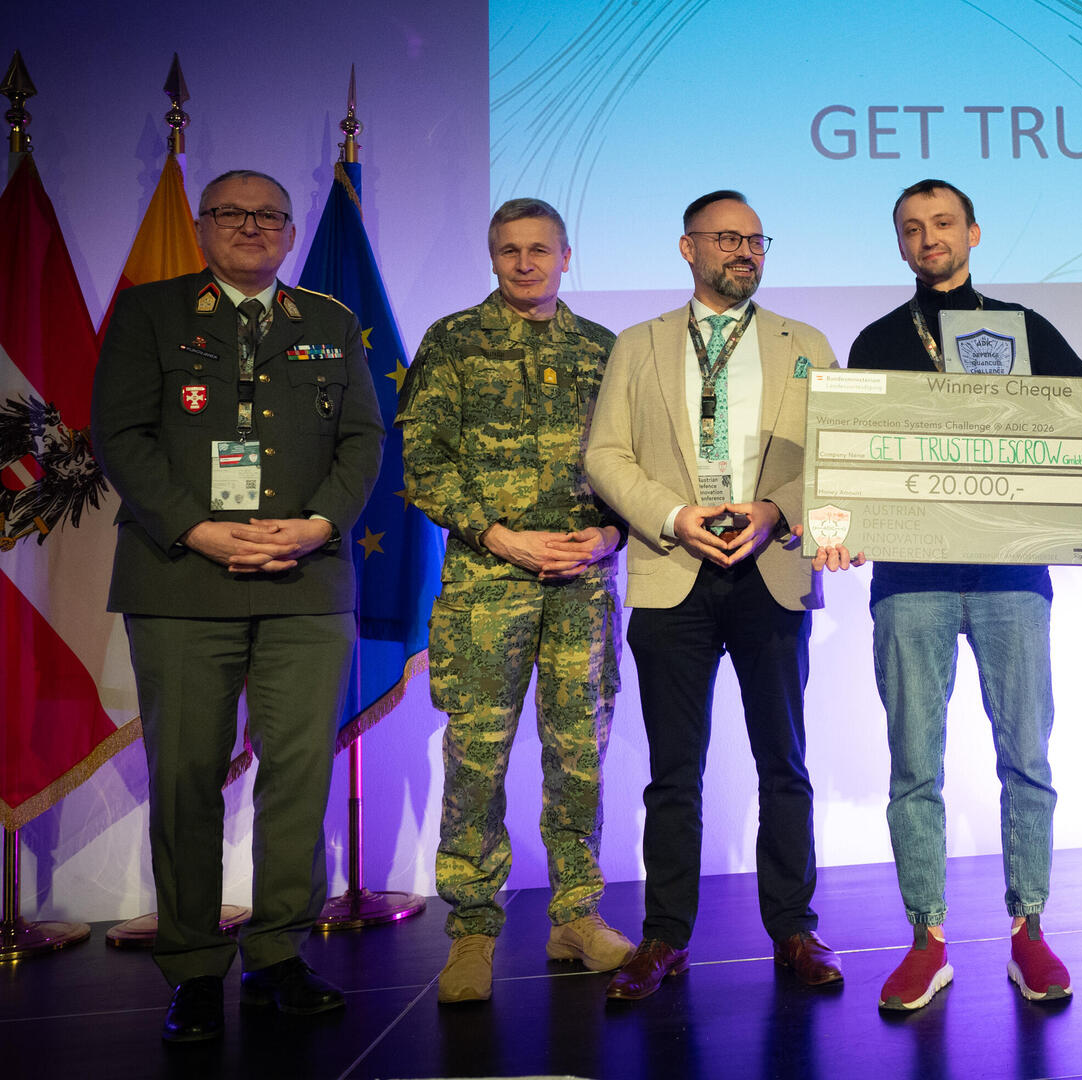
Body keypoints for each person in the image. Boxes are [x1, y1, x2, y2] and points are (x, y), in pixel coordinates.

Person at [92, 169, 384, 1043]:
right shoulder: (149, 313)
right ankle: (192, 967)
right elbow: (121, 434)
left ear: (291, 232)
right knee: (186, 776)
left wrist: (321, 523)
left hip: (305, 579)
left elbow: (363, 438)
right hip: (182, 579)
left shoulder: (329, 322)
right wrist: (197, 529)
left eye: (269, 216)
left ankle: (278, 956)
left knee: (299, 775)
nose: (252, 227)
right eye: (232, 213)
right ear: (201, 225)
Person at [819, 179, 1082, 1011]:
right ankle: (926, 940)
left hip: (1011, 576)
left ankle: (1029, 930)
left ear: (972, 232)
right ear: (900, 243)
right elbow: (848, 456)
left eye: (942, 223)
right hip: (911, 580)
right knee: (914, 764)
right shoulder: (875, 340)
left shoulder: (1022, 330)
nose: (928, 237)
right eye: (912, 227)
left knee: (1027, 756)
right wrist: (838, 523)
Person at [584, 190, 842, 1001]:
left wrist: (776, 512)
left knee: (784, 763)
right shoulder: (639, 343)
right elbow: (605, 454)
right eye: (727, 238)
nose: (744, 252)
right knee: (674, 772)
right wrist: (673, 516)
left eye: (756, 240)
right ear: (688, 248)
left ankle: (794, 928)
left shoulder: (807, 344)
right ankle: (664, 936)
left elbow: (836, 455)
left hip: (771, 571)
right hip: (674, 571)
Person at [396, 198, 633, 1005]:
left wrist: (611, 535)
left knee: (579, 756)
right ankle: (472, 929)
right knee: (478, 757)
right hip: (485, 584)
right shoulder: (453, 341)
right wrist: (501, 537)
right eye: (509, 250)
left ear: (566, 255)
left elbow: (634, 464)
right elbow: (423, 463)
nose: (525, 263)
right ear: (492, 257)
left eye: (539, 249)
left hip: (582, 585)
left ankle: (577, 916)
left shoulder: (603, 349)